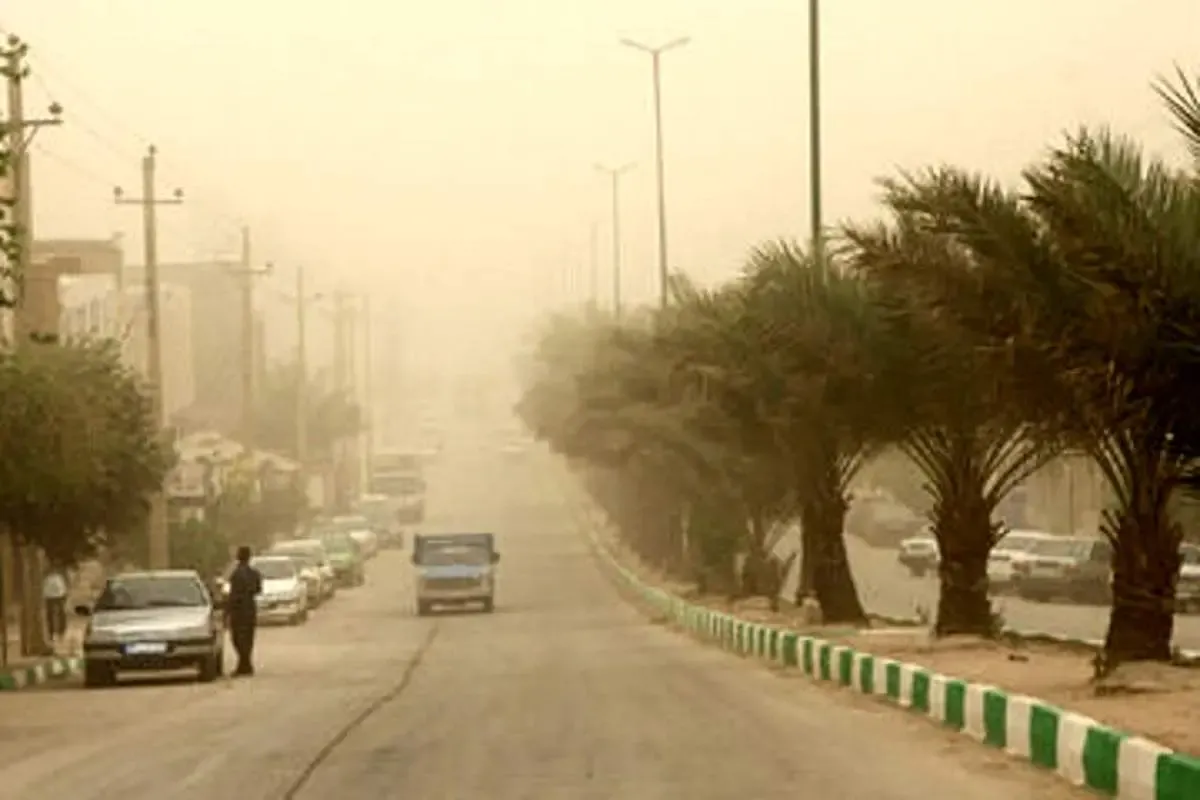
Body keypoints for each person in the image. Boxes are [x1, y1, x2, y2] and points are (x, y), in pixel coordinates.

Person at [225, 546, 263, 676]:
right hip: (250, 608)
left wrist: (227, 611)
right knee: (248, 638)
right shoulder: (254, 573)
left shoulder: (236, 574)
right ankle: (245, 665)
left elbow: (232, 594)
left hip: (238, 609)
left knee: (238, 638)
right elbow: (258, 589)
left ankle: (244, 665)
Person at [42, 566, 68, 643]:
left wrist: (64, 596)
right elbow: (45, 589)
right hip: (50, 597)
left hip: (58, 597)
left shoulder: (58, 578)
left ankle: (61, 632)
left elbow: (62, 589)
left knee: (61, 614)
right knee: (50, 615)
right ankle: (51, 633)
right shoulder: (47, 579)